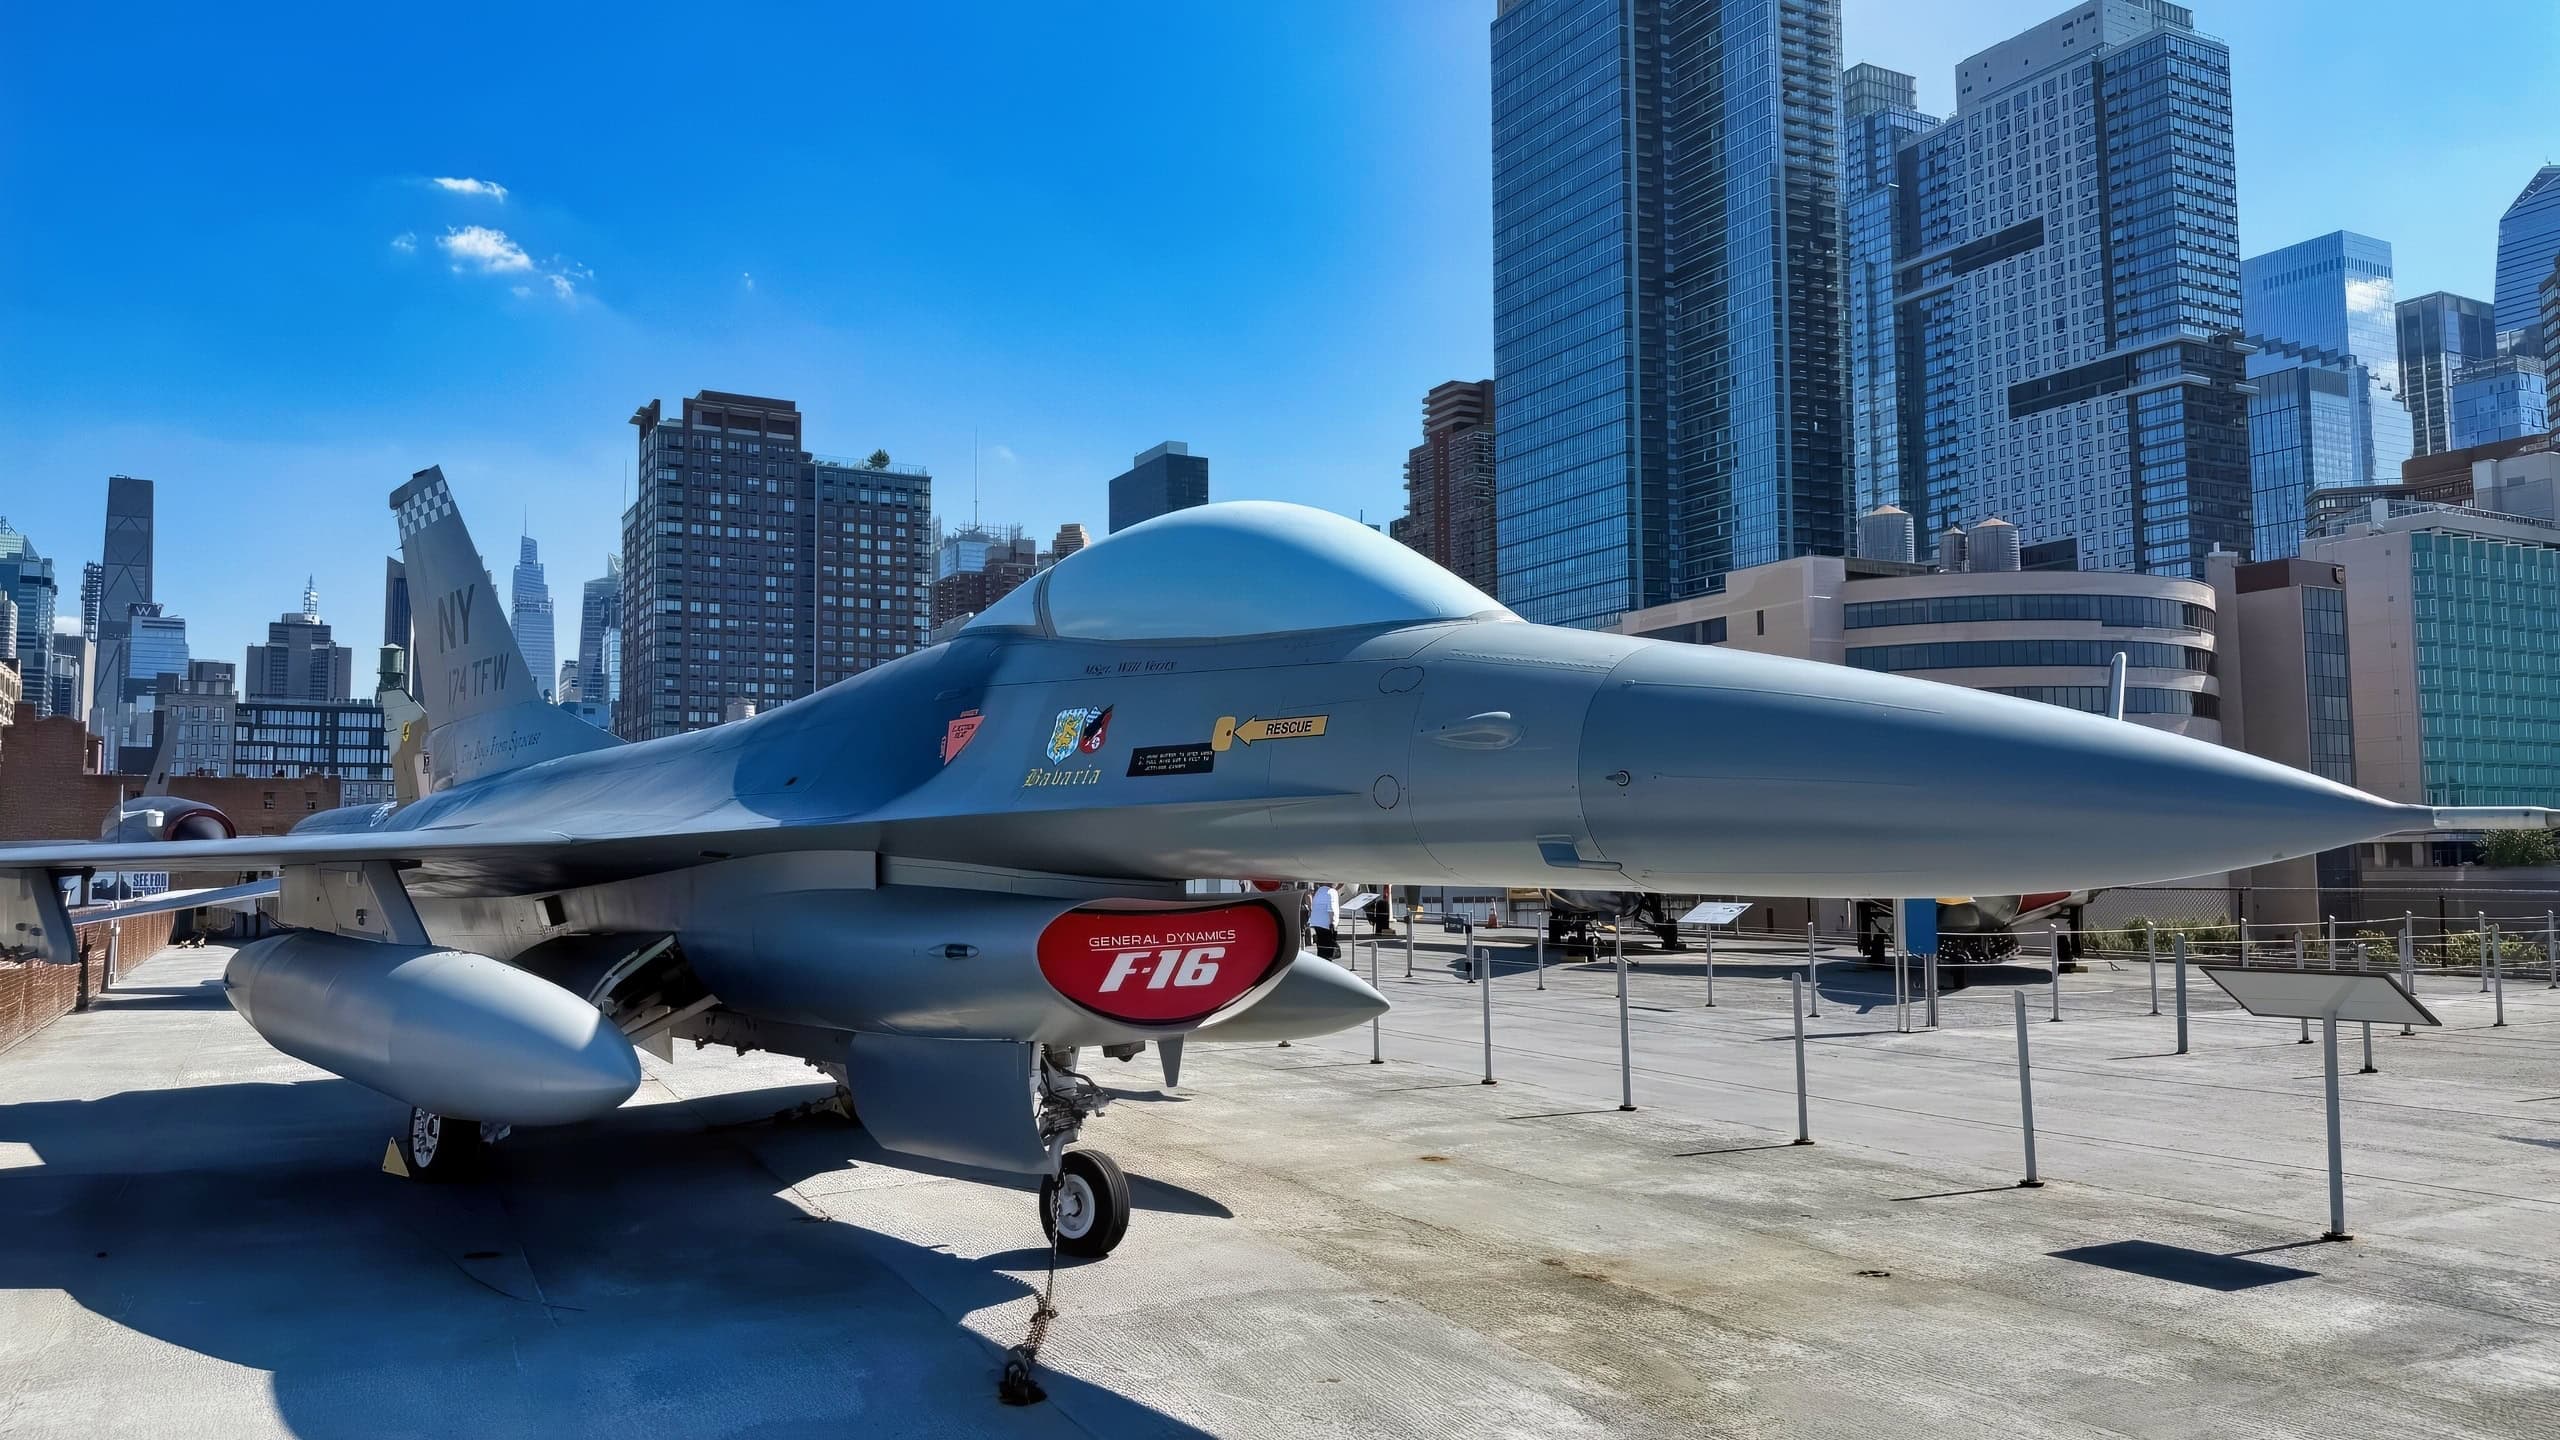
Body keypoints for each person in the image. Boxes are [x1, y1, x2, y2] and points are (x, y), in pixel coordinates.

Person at [1308, 882, 1341, 961]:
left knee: (1321, 945)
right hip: (1326, 924)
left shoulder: (1319, 891)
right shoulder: (1332, 892)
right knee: (1328, 947)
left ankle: (1321, 961)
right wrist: (1333, 922)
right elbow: (1331, 908)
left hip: (1316, 922)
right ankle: (1327, 962)